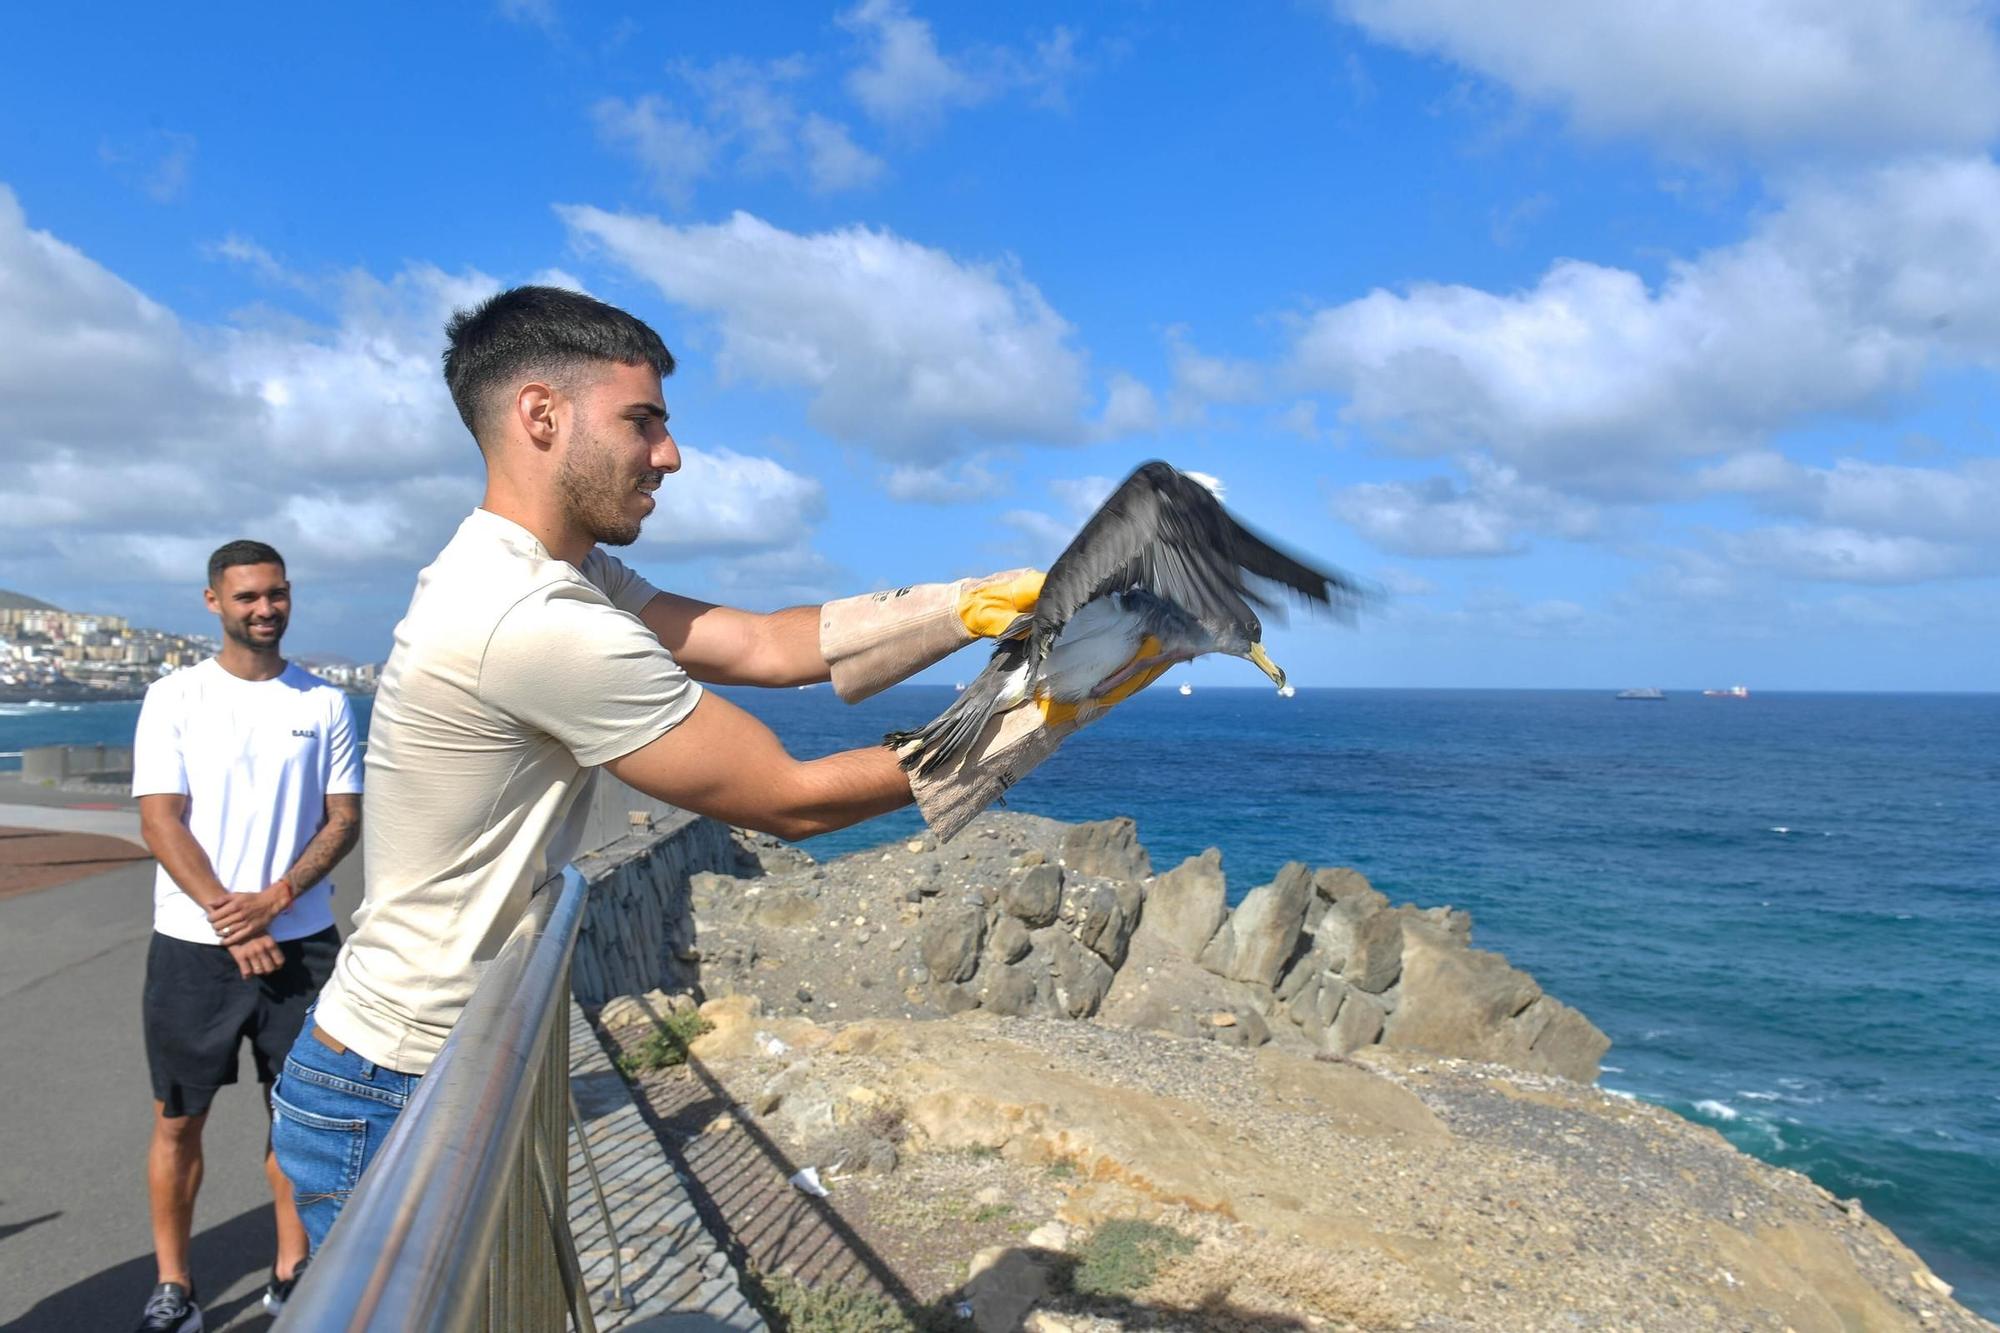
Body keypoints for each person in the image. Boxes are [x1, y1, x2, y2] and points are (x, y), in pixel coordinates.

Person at [270, 286, 1149, 1251]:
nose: (670, 456)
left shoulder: (556, 574)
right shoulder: (530, 621)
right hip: (402, 1084)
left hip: (435, 1062)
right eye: (642, 423)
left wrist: (965, 604)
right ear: (540, 414)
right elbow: (789, 800)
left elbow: (759, 645)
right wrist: (1049, 707)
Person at [130, 540, 363, 1331]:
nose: (264, 609)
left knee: (295, 1118)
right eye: (246, 597)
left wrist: (278, 899)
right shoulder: (174, 697)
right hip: (193, 950)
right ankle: (173, 1285)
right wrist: (236, 921)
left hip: (302, 947)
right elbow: (161, 820)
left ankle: (291, 1269)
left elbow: (344, 818)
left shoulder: (324, 702)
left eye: (276, 594)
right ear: (213, 602)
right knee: (177, 1120)